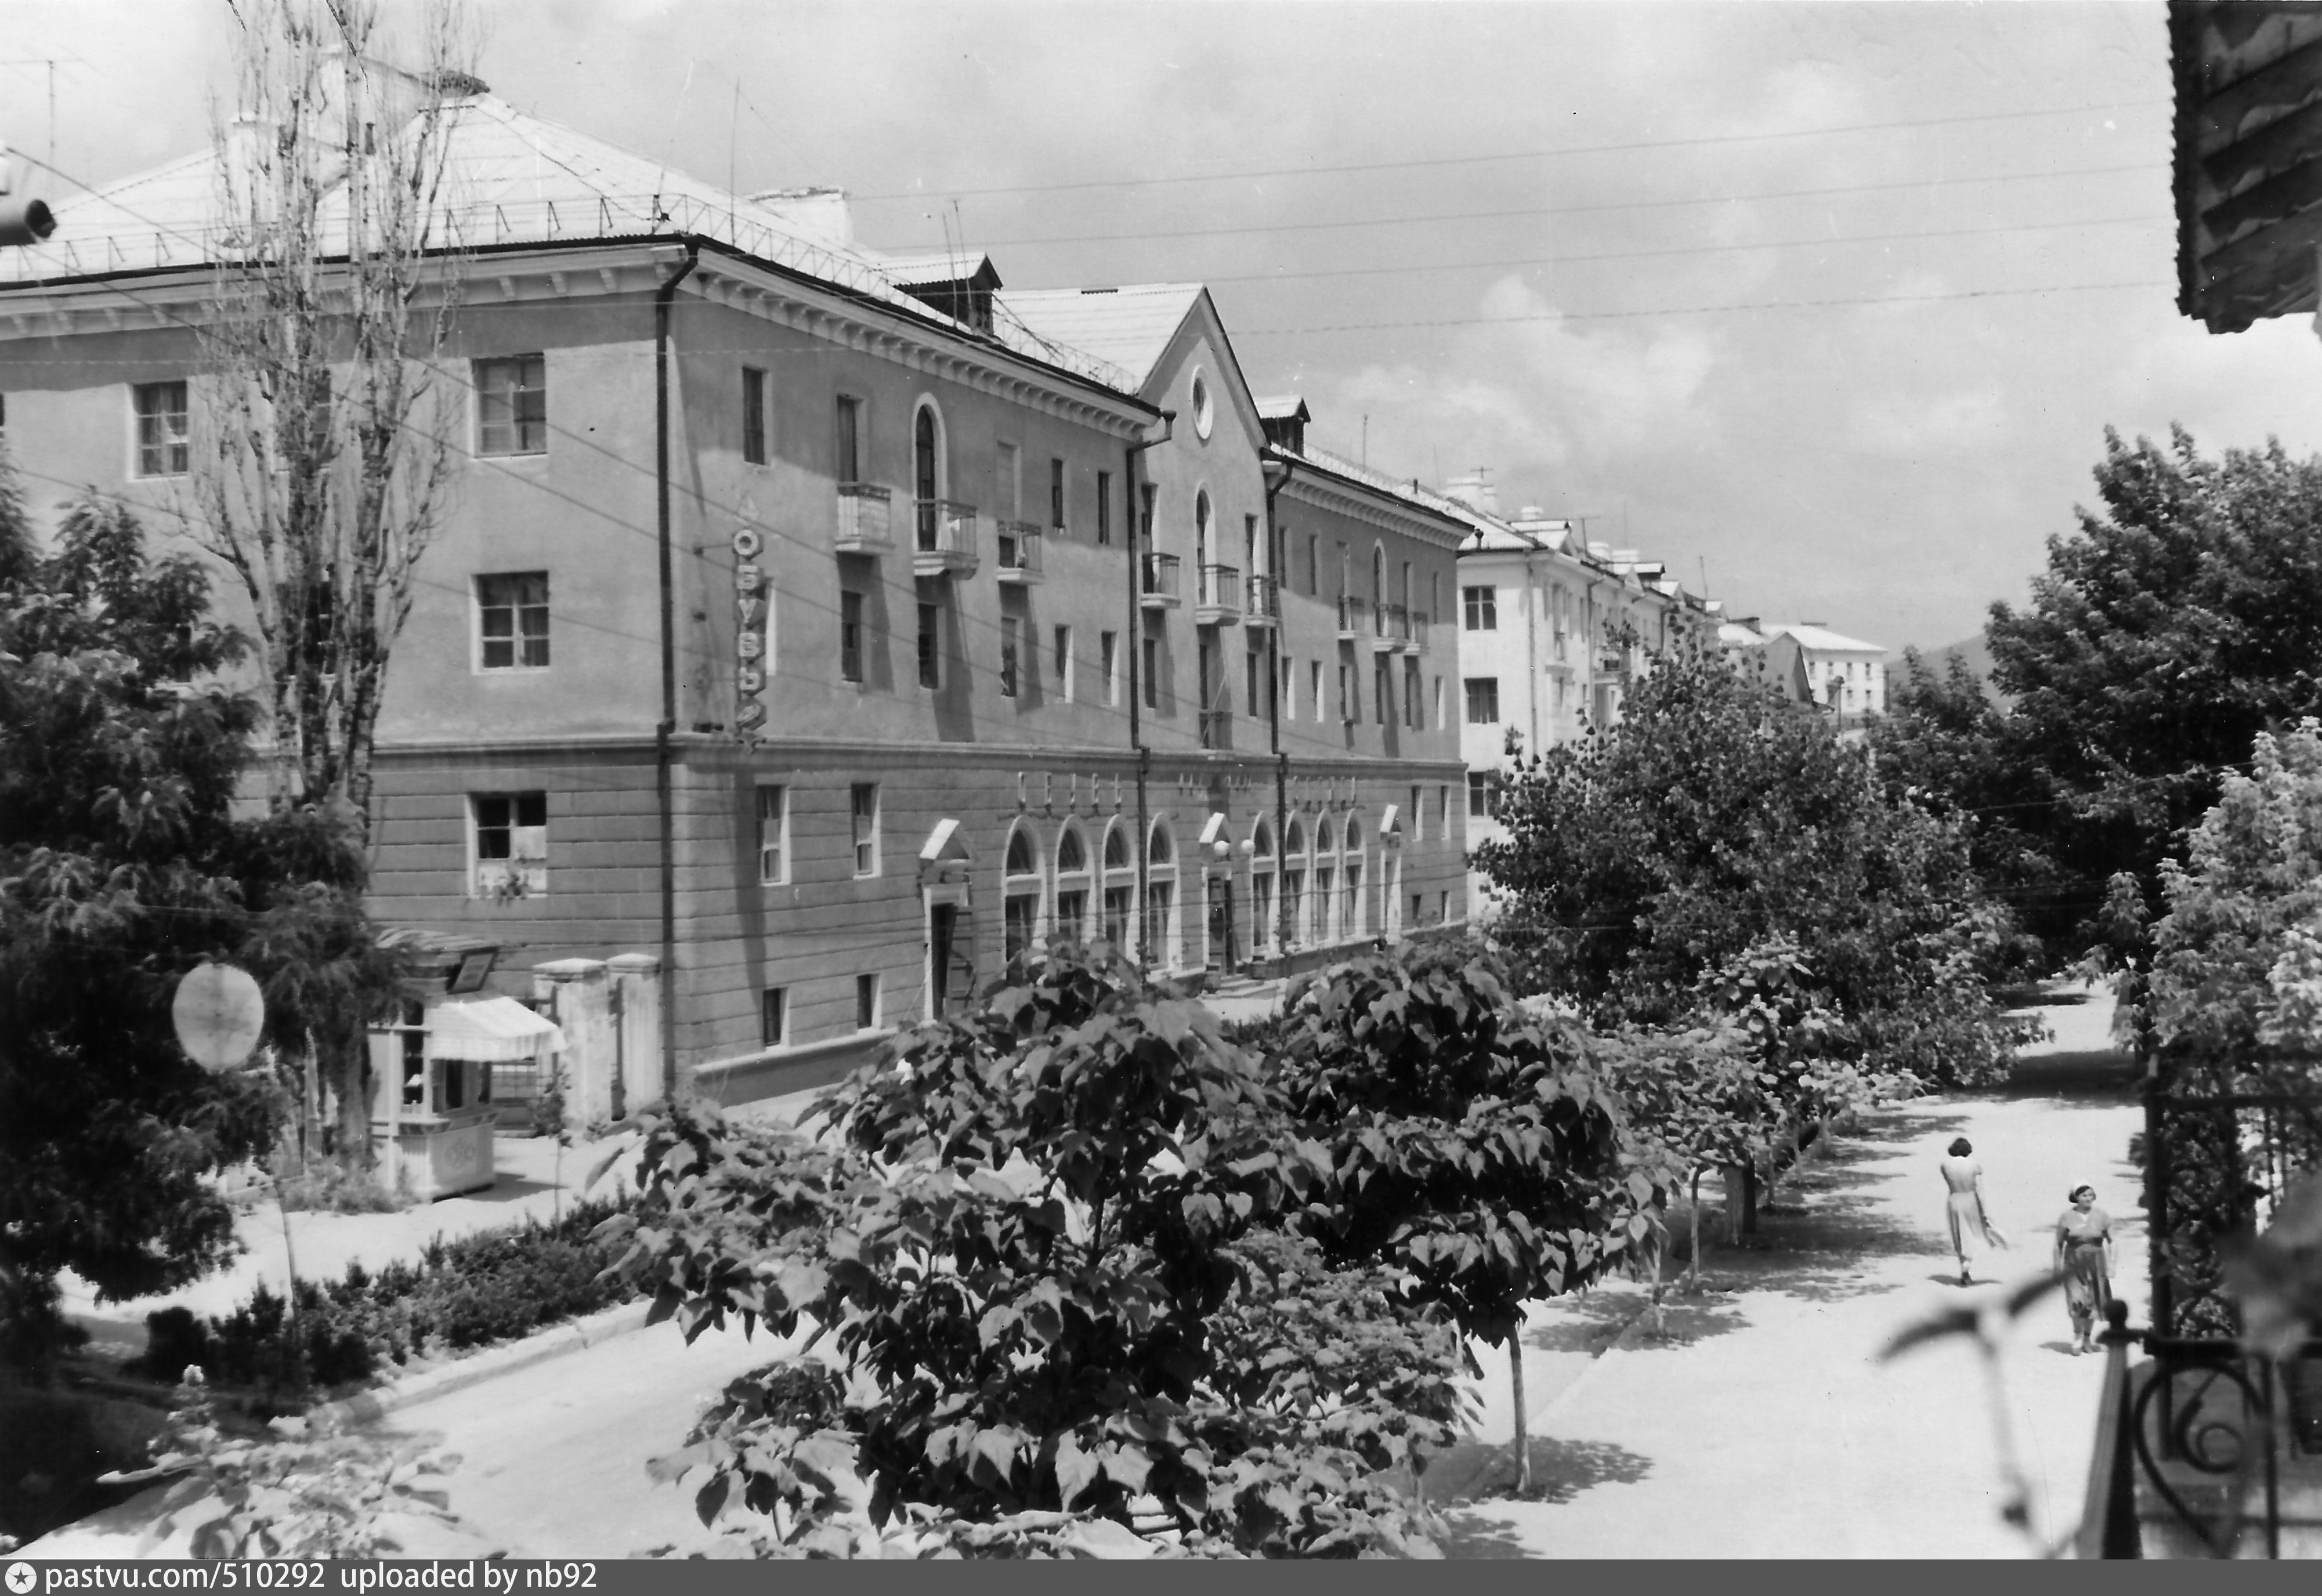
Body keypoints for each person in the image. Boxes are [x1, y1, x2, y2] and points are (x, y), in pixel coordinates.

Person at [2053, 1184, 2116, 1353]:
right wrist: (2057, 1268)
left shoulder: (2102, 1216)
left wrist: (2112, 1265)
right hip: (2073, 1264)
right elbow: (2058, 1244)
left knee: (2093, 1301)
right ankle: (2078, 1336)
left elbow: (2113, 1241)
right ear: (2076, 1198)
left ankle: (2087, 1338)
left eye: (2090, 1195)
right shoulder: (2066, 1217)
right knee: (2076, 1300)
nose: (2088, 1199)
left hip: (2097, 1263)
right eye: (2083, 1195)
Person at [1940, 1136, 2008, 1285]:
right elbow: (1979, 1190)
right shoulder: (1974, 1165)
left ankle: (1964, 1269)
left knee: (1960, 1236)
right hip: (1970, 1201)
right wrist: (1983, 1212)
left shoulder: (1945, 1165)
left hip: (1954, 1200)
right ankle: (1966, 1268)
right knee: (1972, 1235)